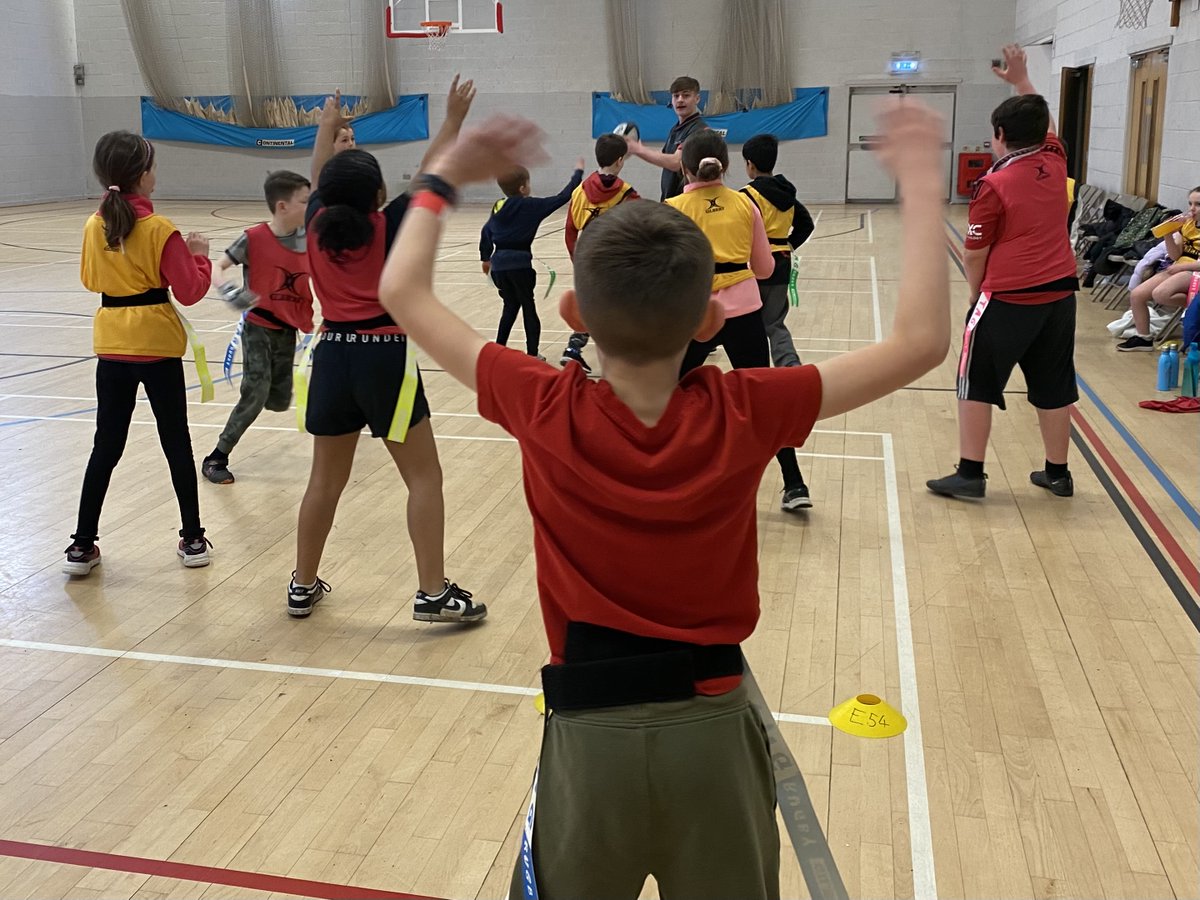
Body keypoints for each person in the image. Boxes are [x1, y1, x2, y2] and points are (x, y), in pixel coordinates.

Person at [377, 101, 948, 900]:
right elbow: (922, 342)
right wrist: (923, 182)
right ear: (711, 318)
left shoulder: (541, 402)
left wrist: (441, 176)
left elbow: (400, 288)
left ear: (574, 315)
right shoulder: (749, 408)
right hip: (714, 731)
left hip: (588, 736)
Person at [287, 79, 485, 624]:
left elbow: (319, 173)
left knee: (324, 480)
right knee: (424, 478)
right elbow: (434, 171)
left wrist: (326, 124)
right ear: (379, 196)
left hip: (330, 357)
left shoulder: (316, 220)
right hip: (384, 358)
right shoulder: (393, 224)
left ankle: (302, 585)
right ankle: (432, 592)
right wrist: (452, 120)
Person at [927, 44, 1080, 501]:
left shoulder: (993, 184)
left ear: (998, 134)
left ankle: (970, 472)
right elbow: (1046, 124)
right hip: (1060, 297)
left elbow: (976, 253)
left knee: (974, 378)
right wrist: (1022, 83)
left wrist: (978, 297)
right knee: (1055, 385)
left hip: (1009, 297)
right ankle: (1058, 474)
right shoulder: (1055, 159)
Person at [64, 130, 214, 575]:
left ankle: (82, 545)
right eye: (152, 166)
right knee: (177, 445)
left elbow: (91, 281)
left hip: (112, 347)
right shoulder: (160, 229)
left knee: (105, 448)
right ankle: (191, 538)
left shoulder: (95, 224)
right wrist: (199, 257)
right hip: (158, 349)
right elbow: (190, 291)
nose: (155, 174)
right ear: (141, 175)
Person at [667, 130, 812, 510]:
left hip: (696, 314)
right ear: (727, 166)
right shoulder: (745, 205)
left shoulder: (673, 208)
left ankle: (665, 474)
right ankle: (794, 484)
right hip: (745, 311)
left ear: (684, 168)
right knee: (760, 396)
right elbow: (764, 270)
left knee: (668, 396)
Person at [202, 171, 313, 484]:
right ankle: (216, 457)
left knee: (277, 401)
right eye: (305, 201)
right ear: (282, 206)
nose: (311, 206)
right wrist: (229, 291)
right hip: (258, 326)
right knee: (257, 392)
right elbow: (217, 267)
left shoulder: (309, 242)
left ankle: (255, 390)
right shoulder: (253, 238)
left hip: (287, 330)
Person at [479, 159, 584, 359]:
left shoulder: (498, 206)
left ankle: (498, 350)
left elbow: (486, 231)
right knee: (528, 306)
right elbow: (563, 196)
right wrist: (577, 173)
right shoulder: (531, 206)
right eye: (528, 183)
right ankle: (532, 354)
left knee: (509, 307)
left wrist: (485, 258)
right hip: (520, 265)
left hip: (499, 266)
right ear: (522, 187)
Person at [558, 132, 640, 373]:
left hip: (588, 255)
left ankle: (574, 349)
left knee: (592, 305)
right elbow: (642, 225)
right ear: (620, 161)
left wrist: (577, 259)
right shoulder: (627, 194)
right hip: (615, 258)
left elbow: (570, 230)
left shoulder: (579, 191)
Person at [740, 133, 815, 368]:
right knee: (774, 323)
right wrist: (789, 244)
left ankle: (756, 373)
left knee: (748, 325)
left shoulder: (746, 195)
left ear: (750, 165)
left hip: (755, 266)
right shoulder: (788, 194)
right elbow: (806, 224)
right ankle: (790, 366)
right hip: (782, 262)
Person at [1117, 188, 1200, 351]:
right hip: (1179, 267)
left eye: (1198, 204)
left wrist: (1179, 268)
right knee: (1137, 295)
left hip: (1194, 270)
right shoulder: (1188, 224)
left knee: (1160, 294)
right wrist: (1168, 233)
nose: (1192, 208)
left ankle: (1193, 307)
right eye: (1190, 203)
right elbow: (1175, 255)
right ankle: (1143, 338)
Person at [624, 75, 709, 201]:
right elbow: (666, 160)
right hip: (670, 201)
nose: (680, 100)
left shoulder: (699, 130)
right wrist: (640, 149)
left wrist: (638, 149)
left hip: (687, 203)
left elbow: (676, 163)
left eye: (686, 95)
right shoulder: (675, 129)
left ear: (697, 99)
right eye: (676, 96)